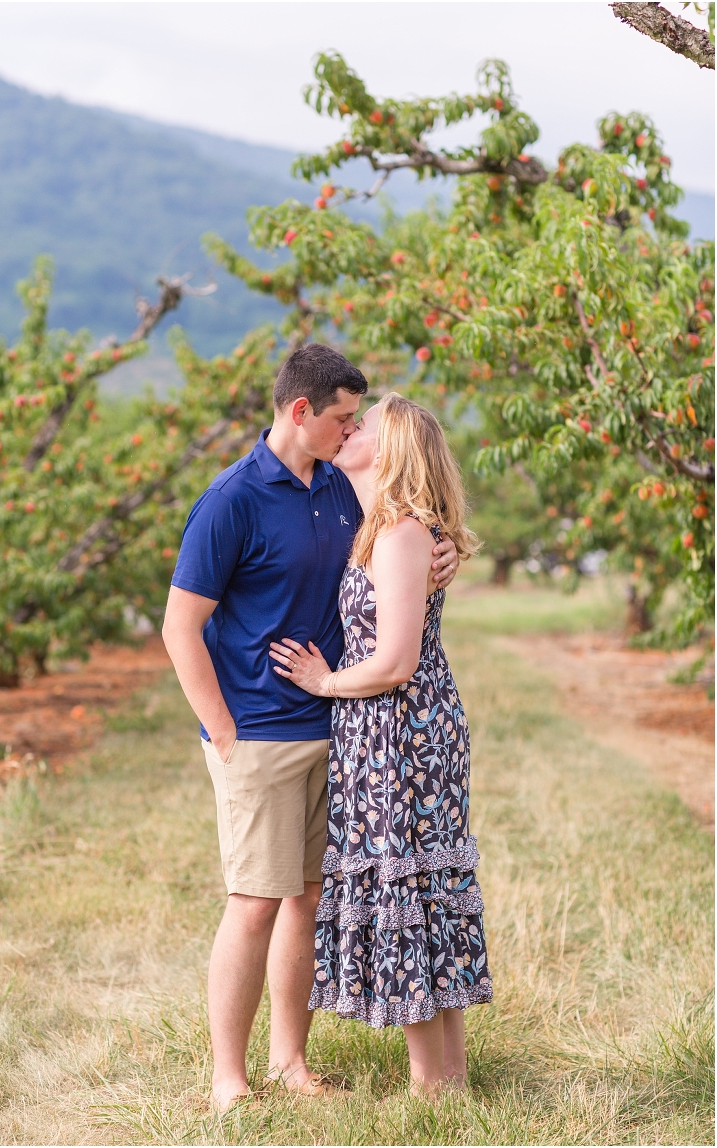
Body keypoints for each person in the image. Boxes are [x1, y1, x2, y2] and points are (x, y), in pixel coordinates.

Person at [161, 346, 460, 1112]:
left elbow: (404, 533)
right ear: (301, 413)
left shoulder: (341, 486)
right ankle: (230, 1079)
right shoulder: (231, 499)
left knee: (307, 899)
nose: (351, 429)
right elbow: (179, 627)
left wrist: (446, 550)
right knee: (254, 901)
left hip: (339, 728)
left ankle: (290, 1061)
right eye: (341, 418)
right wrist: (221, 729)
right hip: (258, 733)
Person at [269, 392, 492, 1097]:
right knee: (422, 887)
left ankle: (433, 1085)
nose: (351, 428)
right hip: (394, 729)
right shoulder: (385, 525)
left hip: (400, 730)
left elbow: (394, 661)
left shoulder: (398, 533)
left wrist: (324, 680)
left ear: (391, 450)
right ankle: (447, 1080)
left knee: (410, 884)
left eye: (366, 424)